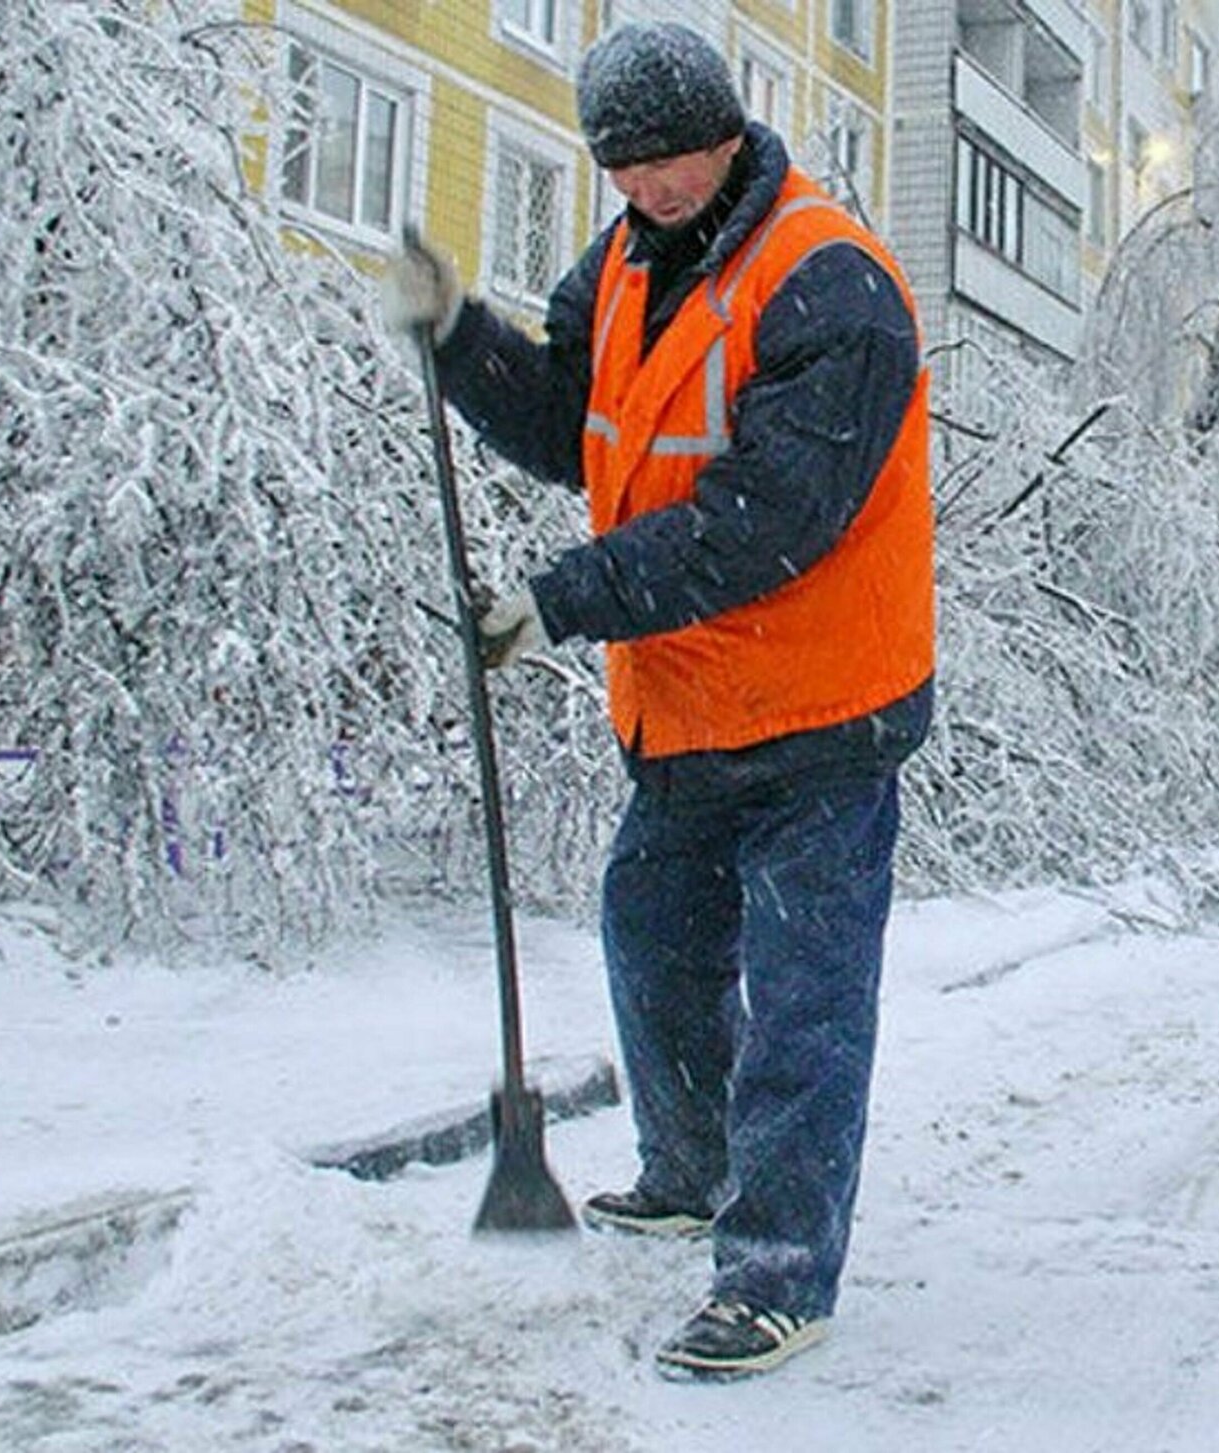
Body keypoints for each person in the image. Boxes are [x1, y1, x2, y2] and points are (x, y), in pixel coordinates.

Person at [383, 22, 934, 1381]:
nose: (649, 190)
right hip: (685, 710)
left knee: (804, 1002)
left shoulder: (833, 285)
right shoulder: (624, 259)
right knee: (654, 948)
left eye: (669, 162)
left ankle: (776, 1272)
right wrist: (457, 340)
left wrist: (564, 599)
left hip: (822, 717)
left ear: (726, 134)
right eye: (623, 169)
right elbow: (576, 426)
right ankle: (688, 1172)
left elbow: (767, 519)